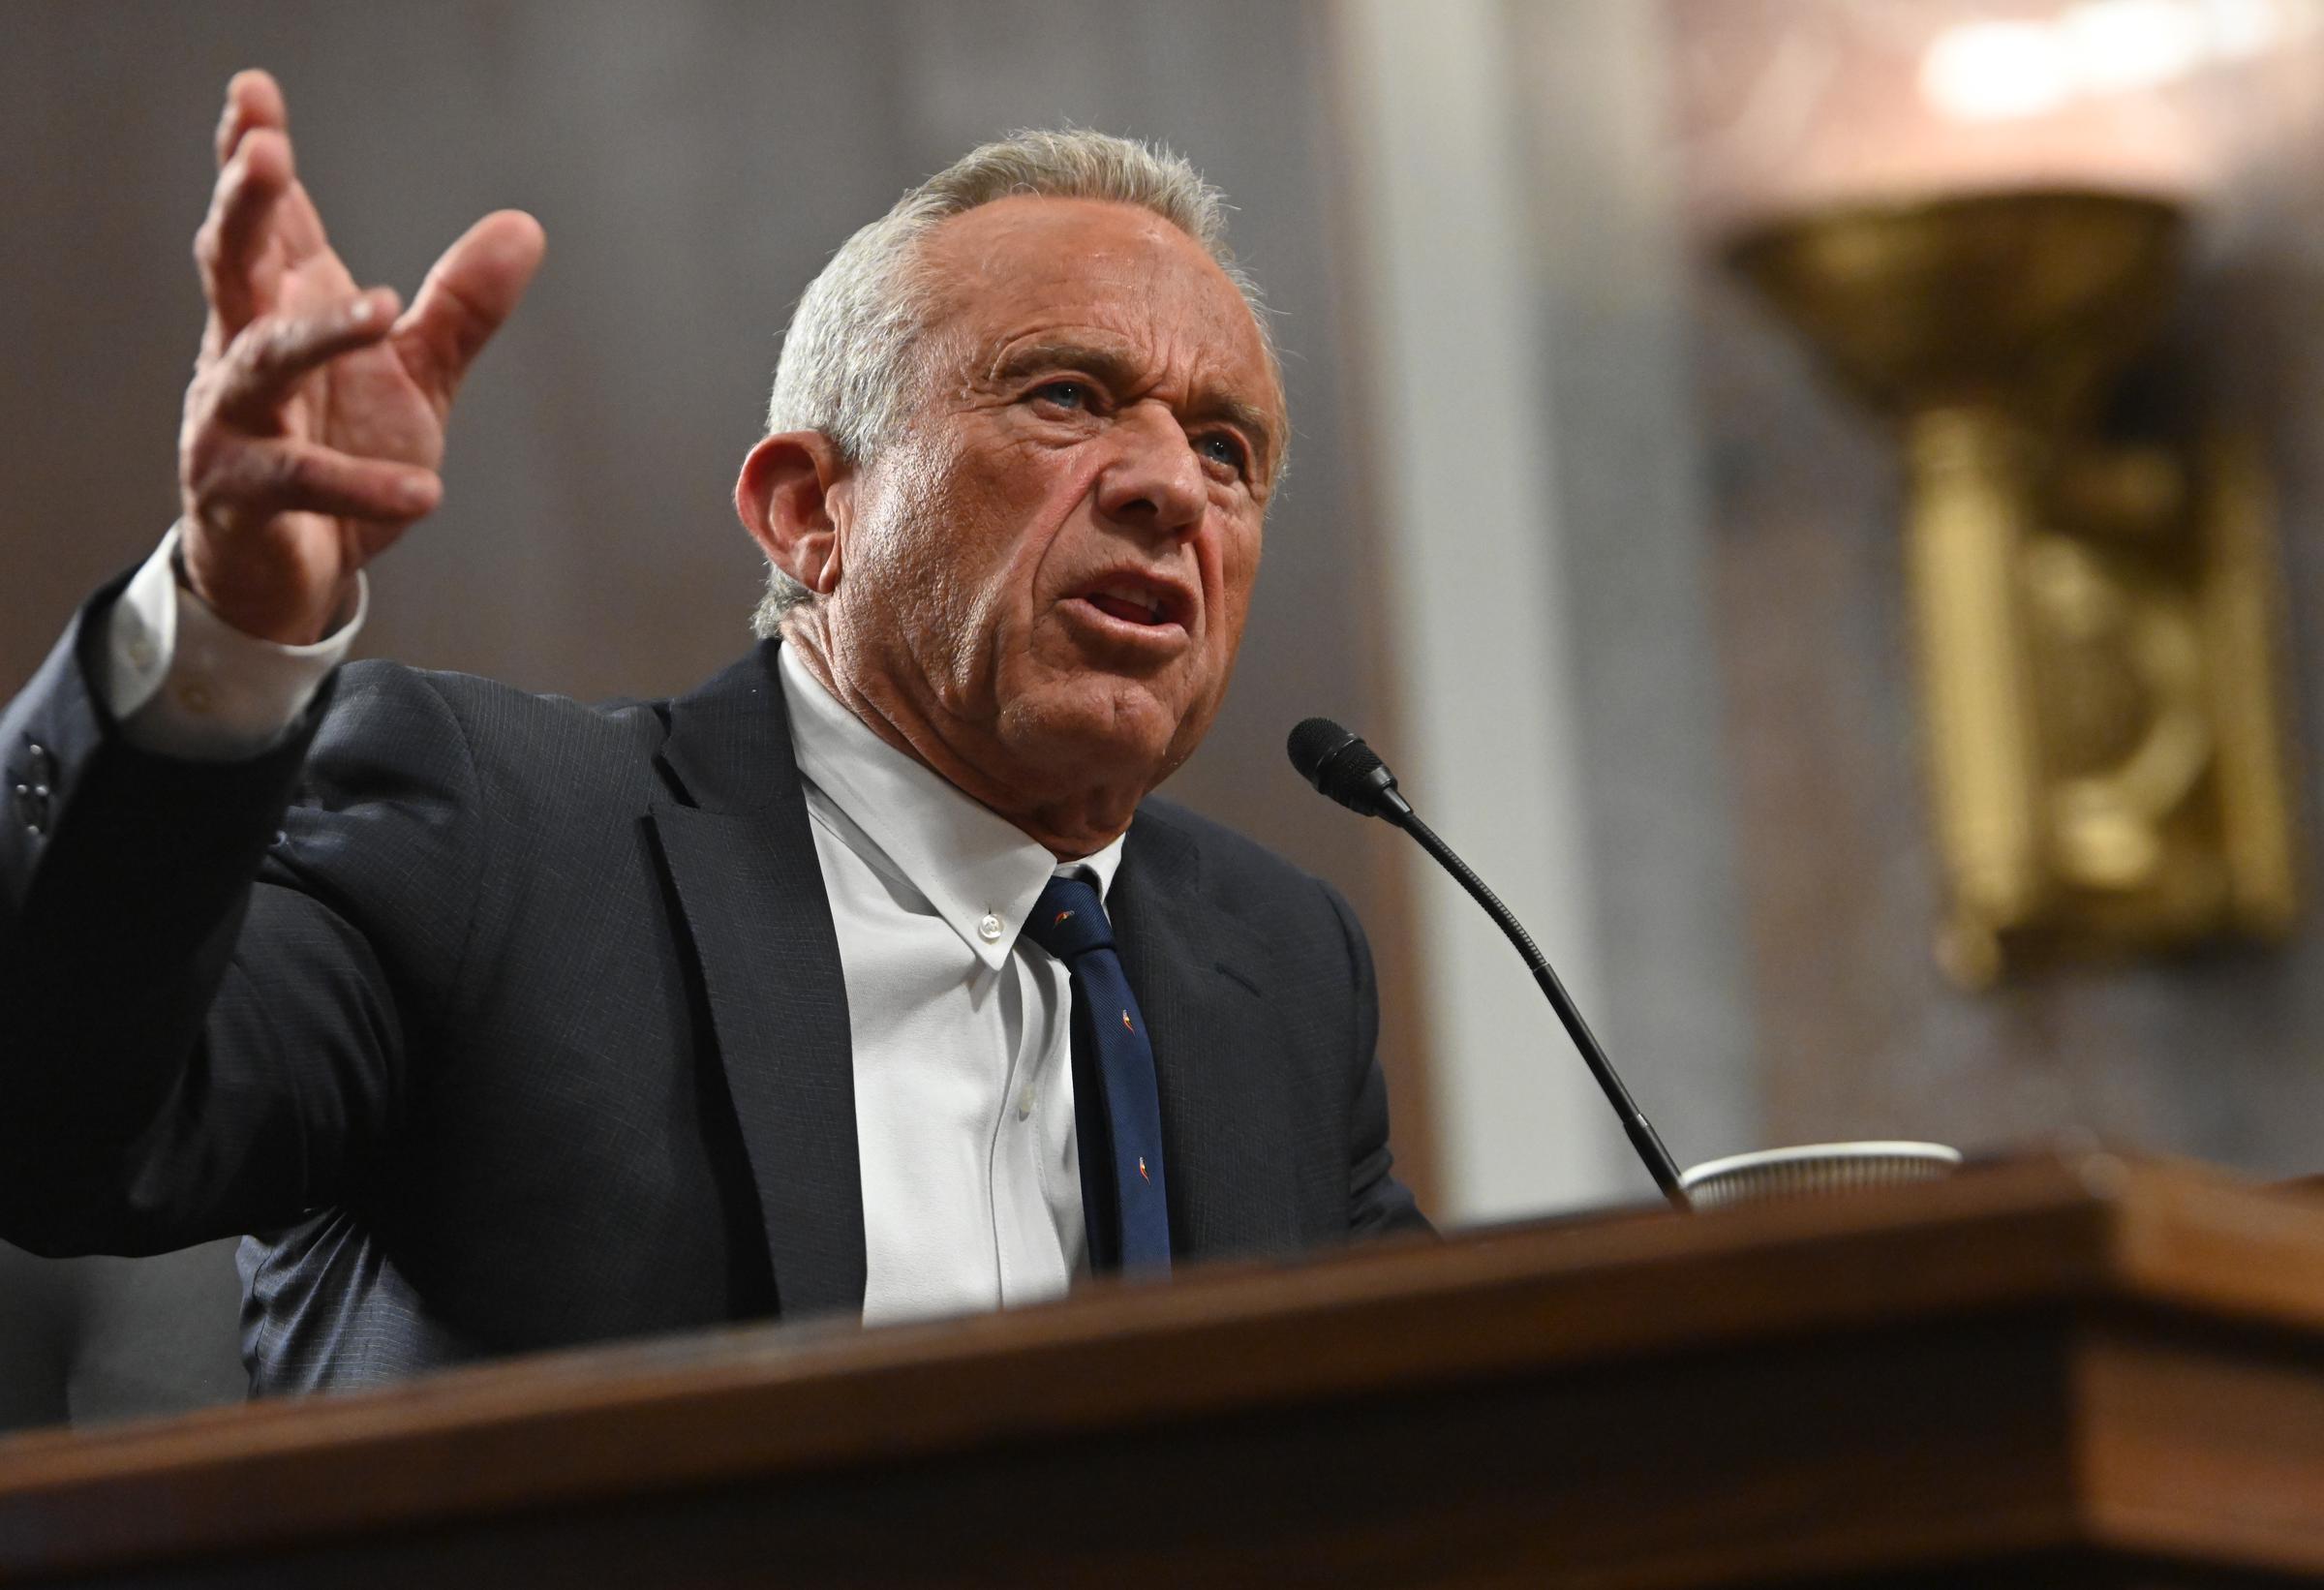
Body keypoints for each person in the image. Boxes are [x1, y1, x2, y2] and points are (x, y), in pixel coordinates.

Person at [0, 72, 1425, 1397]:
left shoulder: (1282, 967)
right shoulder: (500, 839)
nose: (1172, 486)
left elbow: (1434, 1442)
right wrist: (224, 629)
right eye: (1067, 396)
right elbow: (62, 1124)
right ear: (813, 512)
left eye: (1228, 448)